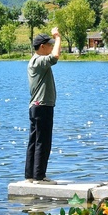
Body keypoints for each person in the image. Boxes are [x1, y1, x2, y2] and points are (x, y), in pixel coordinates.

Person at [25, 27, 62, 181]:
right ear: (42, 46)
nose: (51, 47)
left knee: (34, 142)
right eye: (49, 45)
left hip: (36, 107)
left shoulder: (35, 61)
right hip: (42, 106)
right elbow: (55, 57)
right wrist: (58, 37)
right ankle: (39, 177)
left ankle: (31, 175)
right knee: (43, 142)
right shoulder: (39, 61)